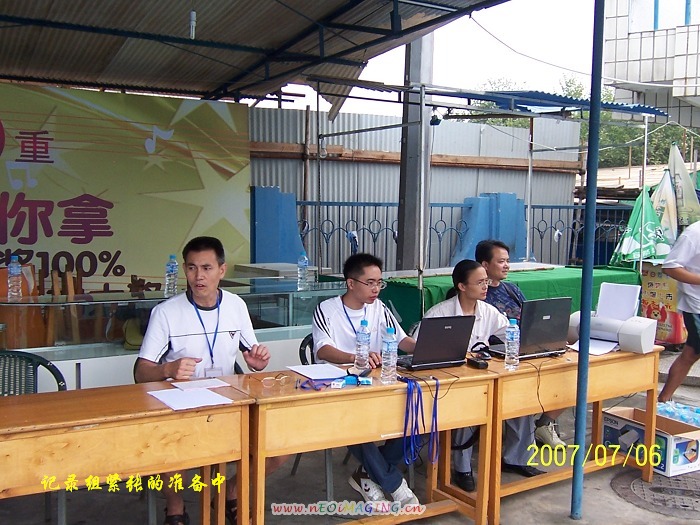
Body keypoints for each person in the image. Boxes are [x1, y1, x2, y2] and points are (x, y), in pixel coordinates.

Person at [135, 236, 285, 525]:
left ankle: (230, 491)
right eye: (192, 268)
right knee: (168, 447)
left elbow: (250, 353)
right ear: (184, 270)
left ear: (222, 270)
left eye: (206, 268)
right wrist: (168, 369)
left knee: (278, 446)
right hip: (180, 406)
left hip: (228, 402)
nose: (198, 276)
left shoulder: (236, 305)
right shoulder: (166, 312)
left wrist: (257, 363)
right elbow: (142, 371)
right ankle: (175, 508)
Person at [422, 259, 544, 493]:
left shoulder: (488, 311)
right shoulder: (440, 313)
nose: (486, 286)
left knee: (522, 399)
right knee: (472, 404)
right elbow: (420, 349)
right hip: (451, 383)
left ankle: (517, 459)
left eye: (486, 281)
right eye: (479, 282)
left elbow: (510, 334)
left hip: (482, 375)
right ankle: (463, 468)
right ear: (462, 286)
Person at [312, 253, 419, 506]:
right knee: (353, 421)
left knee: (418, 414)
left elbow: (402, 341)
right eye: (370, 283)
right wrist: (356, 357)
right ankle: (395, 485)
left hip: (377, 385)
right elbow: (322, 350)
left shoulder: (379, 308)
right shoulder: (327, 309)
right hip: (339, 387)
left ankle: (367, 474)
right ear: (351, 283)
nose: (376, 289)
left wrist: (430, 346)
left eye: (379, 283)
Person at [475, 239, 566, 448]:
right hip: (498, 354)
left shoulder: (511, 289)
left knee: (568, 374)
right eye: (501, 261)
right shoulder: (478, 295)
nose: (506, 266)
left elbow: (529, 317)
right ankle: (522, 440)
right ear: (485, 265)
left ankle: (544, 423)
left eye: (508, 261)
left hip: (525, 346)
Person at [658, 221, 700, 402]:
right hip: (696, 305)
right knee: (691, 353)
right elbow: (670, 267)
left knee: (691, 353)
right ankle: (663, 400)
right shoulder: (694, 233)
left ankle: (663, 400)